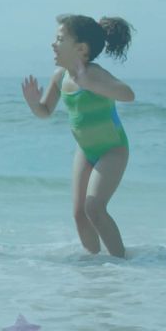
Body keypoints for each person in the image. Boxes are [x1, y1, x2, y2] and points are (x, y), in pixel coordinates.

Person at [22, 15, 135, 258]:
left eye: (60, 39)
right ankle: (94, 264)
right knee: (79, 213)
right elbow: (45, 111)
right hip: (85, 151)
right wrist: (34, 104)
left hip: (112, 149)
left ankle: (121, 263)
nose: (53, 43)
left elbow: (127, 94)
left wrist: (90, 84)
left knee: (94, 207)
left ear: (81, 49)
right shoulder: (59, 76)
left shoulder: (94, 74)